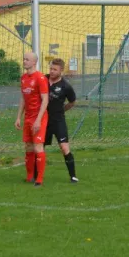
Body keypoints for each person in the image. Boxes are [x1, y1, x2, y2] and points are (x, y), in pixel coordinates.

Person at [15, 52, 49, 186]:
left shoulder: (40, 78)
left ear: (34, 62)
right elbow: (23, 98)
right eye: (23, 59)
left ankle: (39, 179)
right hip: (28, 117)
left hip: (38, 117)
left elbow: (45, 100)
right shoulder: (23, 78)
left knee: (37, 147)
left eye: (27, 59)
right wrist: (18, 117)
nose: (24, 61)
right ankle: (29, 177)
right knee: (28, 147)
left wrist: (38, 120)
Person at [45, 58, 78, 183]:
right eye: (51, 69)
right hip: (44, 120)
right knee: (39, 147)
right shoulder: (43, 79)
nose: (52, 71)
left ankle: (73, 176)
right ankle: (36, 177)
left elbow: (72, 102)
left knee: (64, 147)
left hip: (58, 120)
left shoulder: (66, 86)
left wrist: (62, 110)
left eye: (55, 69)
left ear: (61, 70)